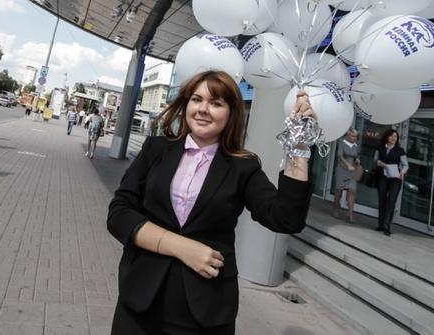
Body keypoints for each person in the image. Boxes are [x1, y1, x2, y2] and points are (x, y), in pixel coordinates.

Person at [106, 70, 315, 334]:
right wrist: (181, 247)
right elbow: (119, 214)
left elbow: (286, 218)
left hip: (205, 311)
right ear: (187, 105)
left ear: (231, 114)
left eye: (216, 103)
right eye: (197, 99)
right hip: (139, 302)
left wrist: (300, 146)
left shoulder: (243, 166)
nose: (203, 109)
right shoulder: (156, 149)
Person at [374, 129, 409, 236]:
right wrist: (378, 162)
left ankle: (387, 226)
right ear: (387, 137)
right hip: (382, 177)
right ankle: (380, 224)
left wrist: (402, 173)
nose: (393, 138)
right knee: (382, 201)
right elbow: (375, 159)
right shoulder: (380, 148)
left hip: (395, 178)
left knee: (391, 202)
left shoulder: (400, 150)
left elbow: (405, 165)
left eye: (395, 137)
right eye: (391, 136)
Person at [332, 129, 361, 223]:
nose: (354, 138)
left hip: (352, 171)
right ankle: (336, 208)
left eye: (356, 136)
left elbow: (357, 155)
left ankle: (351, 215)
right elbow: (340, 155)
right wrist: (347, 164)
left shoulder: (356, 145)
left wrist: (357, 160)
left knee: (352, 190)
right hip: (342, 169)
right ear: (348, 136)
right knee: (339, 191)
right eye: (353, 136)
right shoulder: (342, 142)